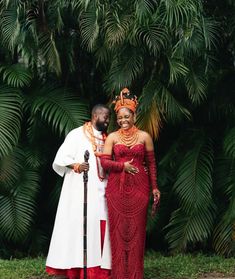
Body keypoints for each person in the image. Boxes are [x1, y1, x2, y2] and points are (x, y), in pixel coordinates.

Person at [100, 88, 160, 279]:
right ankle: (119, 274)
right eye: (119, 118)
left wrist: (155, 187)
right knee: (117, 232)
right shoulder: (112, 137)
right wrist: (122, 166)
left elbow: (151, 164)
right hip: (116, 189)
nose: (123, 120)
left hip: (139, 188)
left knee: (137, 232)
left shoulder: (144, 137)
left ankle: (135, 275)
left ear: (134, 115)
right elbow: (104, 162)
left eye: (126, 116)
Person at [46, 104, 111, 279]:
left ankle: (100, 269)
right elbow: (61, 158)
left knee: (101, 224)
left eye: (109, 117)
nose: (108, 121)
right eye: (105, 117)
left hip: (103, 189)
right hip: (79, 190)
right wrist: (76, 165)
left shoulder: (107, 138)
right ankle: (76, 270)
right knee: (80, 226)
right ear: (95, 116)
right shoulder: (76, 134)